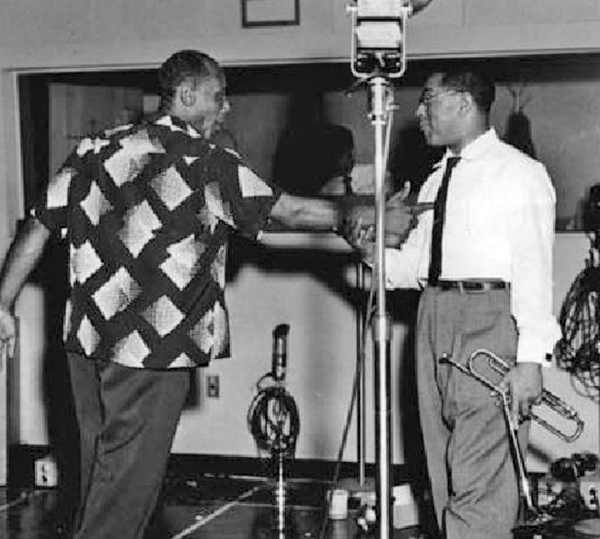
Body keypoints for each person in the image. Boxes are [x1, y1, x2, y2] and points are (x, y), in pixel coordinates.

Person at [0, 50, 422, 539]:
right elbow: (288, 213)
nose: (226, 108)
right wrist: (368, 214)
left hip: (88, 344)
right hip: (150, 350)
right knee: (124, 491)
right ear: (187, 95)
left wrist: (3, 302)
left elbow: (37, 225)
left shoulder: (96, 148)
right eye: (219, 96)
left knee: (102, 477)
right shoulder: (205, 160)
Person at [349, 68, 560, 538]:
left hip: (489, 320)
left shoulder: (519, 174)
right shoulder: (435, 180)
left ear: (464, 103)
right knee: (443, 471)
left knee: (480, 475)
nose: (418, 112)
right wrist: (367, 248)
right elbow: (415, 269)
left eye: (428, 101)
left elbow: (533, 272)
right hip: (434, 317)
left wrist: (530, 361)